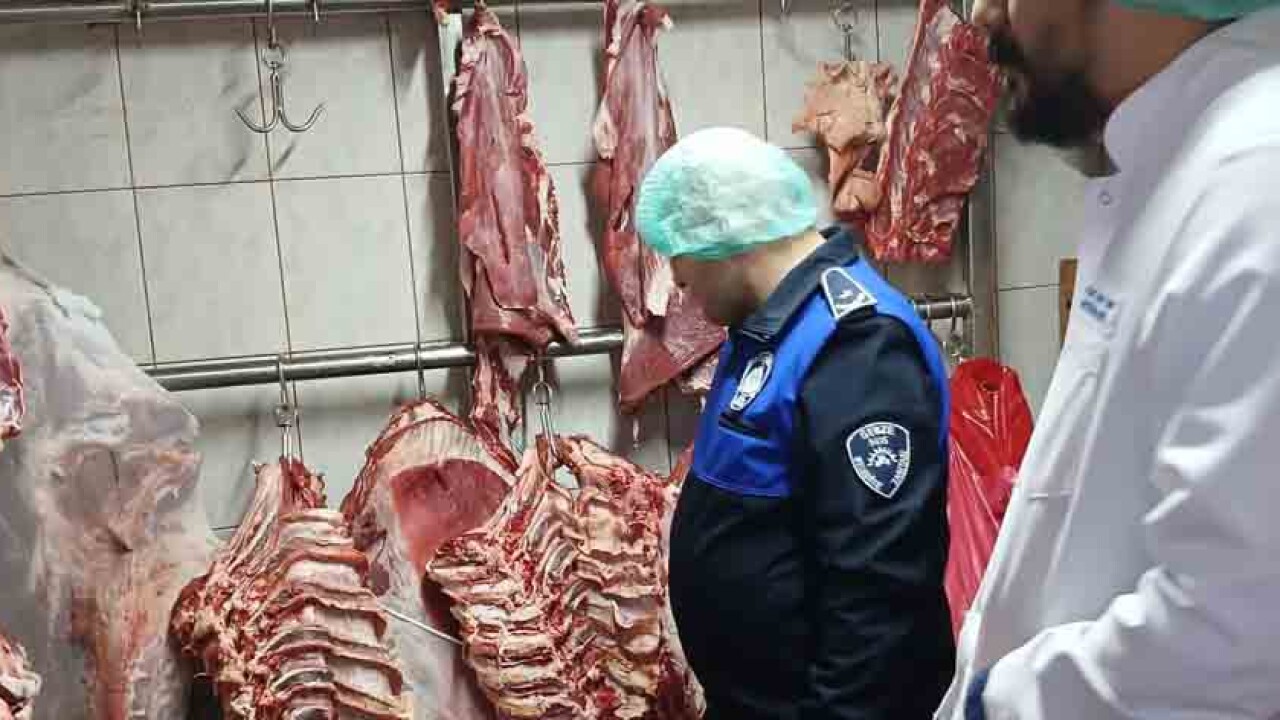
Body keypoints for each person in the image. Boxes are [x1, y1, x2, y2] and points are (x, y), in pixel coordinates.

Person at [934, 2, 1280, 719]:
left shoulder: (1259, 180)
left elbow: (1239, 639)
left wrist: (998, 702)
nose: (985, 12)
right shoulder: (1195, 157)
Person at [635, 126, 955, 720]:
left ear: (727, 235)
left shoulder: (856, 344)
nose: (676, 278)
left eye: (680, 251)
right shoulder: (766, 330)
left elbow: (877, 601)